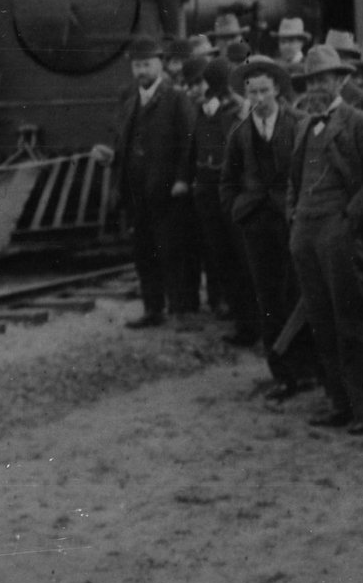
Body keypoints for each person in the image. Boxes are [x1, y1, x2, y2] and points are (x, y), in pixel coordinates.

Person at [284, 44, 363, 436]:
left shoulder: (361, 122)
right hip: (306, 234)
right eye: (311, 81)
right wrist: (293, 215)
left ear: (340, 81)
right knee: (321, 321)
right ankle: (338, 402)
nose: (317, 87)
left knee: (350, 321)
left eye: (324, 79)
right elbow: (294, 179)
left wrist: (349, 219)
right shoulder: (303, 125)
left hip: (341, 235)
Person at [220, 57, 314, 400]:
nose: (259, 98)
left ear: (277, 90)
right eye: (252, 92)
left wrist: (303, 212)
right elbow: (228, 179)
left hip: (292, 220)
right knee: (268, 297)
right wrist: (237, 211)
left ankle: (307, 368)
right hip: (257, 224)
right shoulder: (240, 132)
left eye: (264, 91)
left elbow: (311, 173)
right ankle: (282, 372)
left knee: (299, 292)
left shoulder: (299, 124)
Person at [93, 36, 198, 327]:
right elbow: (124, 143)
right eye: (137, 66)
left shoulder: (176, 99)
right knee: (144, 253)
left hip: (168, 191)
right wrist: (111, 157)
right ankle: (153, 309)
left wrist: (183, 179)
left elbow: (189, 143)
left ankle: (181, 311)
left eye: (147, 65)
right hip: (137, 193)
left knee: (173, 251)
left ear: (160, 65)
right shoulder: (130, 102)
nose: (141, 71)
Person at [184, 57, 249, 334]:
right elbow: (194, 149)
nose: (195, 90)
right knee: (219, 251)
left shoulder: (237, 111)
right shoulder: (202, 112)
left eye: (200, 84)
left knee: (239, 251)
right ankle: (235, 308)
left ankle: (247, 316)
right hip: (208, 188)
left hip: (232, 189)